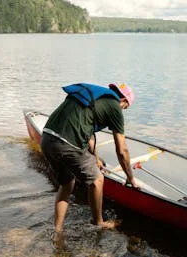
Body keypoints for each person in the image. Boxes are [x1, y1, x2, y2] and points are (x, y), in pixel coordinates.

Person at [40, 82, 139, 232]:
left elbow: (90, 138)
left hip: (47, 138)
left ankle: (58, 230)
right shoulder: (114, 107)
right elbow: (122, 150)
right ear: (124, 101)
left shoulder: (95, 98)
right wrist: (130, 177)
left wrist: (96, 159)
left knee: (67, 184)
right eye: (126, 108)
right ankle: (98, 222)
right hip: (67, 144)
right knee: (98, 180)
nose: (124, 110)